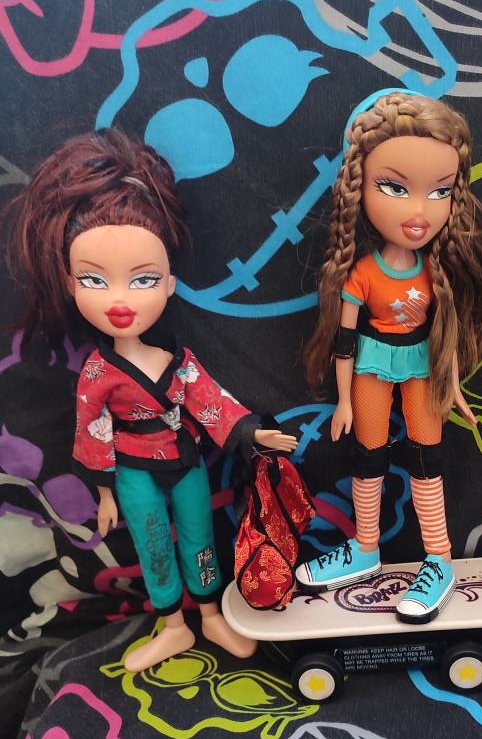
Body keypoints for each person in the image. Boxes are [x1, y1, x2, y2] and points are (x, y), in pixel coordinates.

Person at [4, 129, 298, 671]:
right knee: (153, 543)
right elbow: (91, 428)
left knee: (199, 536)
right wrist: (104, 488)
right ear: (70, 283)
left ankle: (210, 614)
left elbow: (208, 399)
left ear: (168, 285)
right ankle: (173, 626)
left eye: (142, 279)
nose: (119, 300)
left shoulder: (177, 360)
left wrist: (249, 432)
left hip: (184, 461)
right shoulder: (98, 374)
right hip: (133, 469)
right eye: (95, 280)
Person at [300, 91, 482, 622]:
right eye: (395, 188)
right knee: (368, 459)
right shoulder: (363, 273)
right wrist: (344, 401)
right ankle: (366, 547)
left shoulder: (434, 274)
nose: (419, 212)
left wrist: (455, 387)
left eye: (439, 190)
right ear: (359, 187)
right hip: (371, 366)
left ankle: (438, 559)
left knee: (426, 463)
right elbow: (345, 342)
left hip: (422, 367)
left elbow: (444, 338)